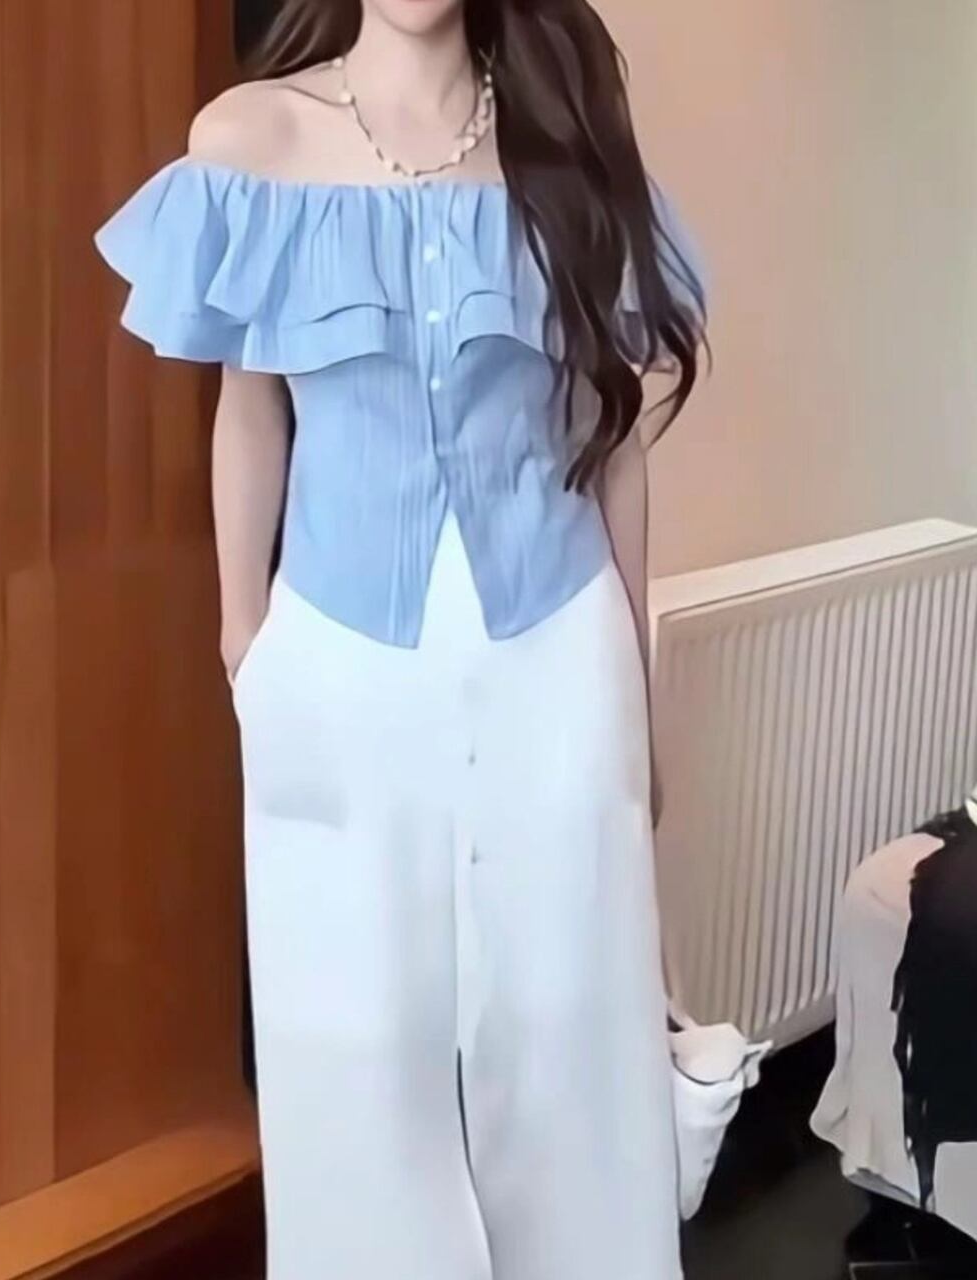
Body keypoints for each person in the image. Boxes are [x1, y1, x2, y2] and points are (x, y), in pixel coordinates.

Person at [96, 1, 708, 1275]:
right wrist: (245, 644)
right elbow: (249, 412)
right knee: (351, 1052)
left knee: (571, 1040)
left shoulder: (560, 133)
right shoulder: (250, 138)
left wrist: (636, 706)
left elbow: (611, 446)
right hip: (338, 657)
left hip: (557, 647)